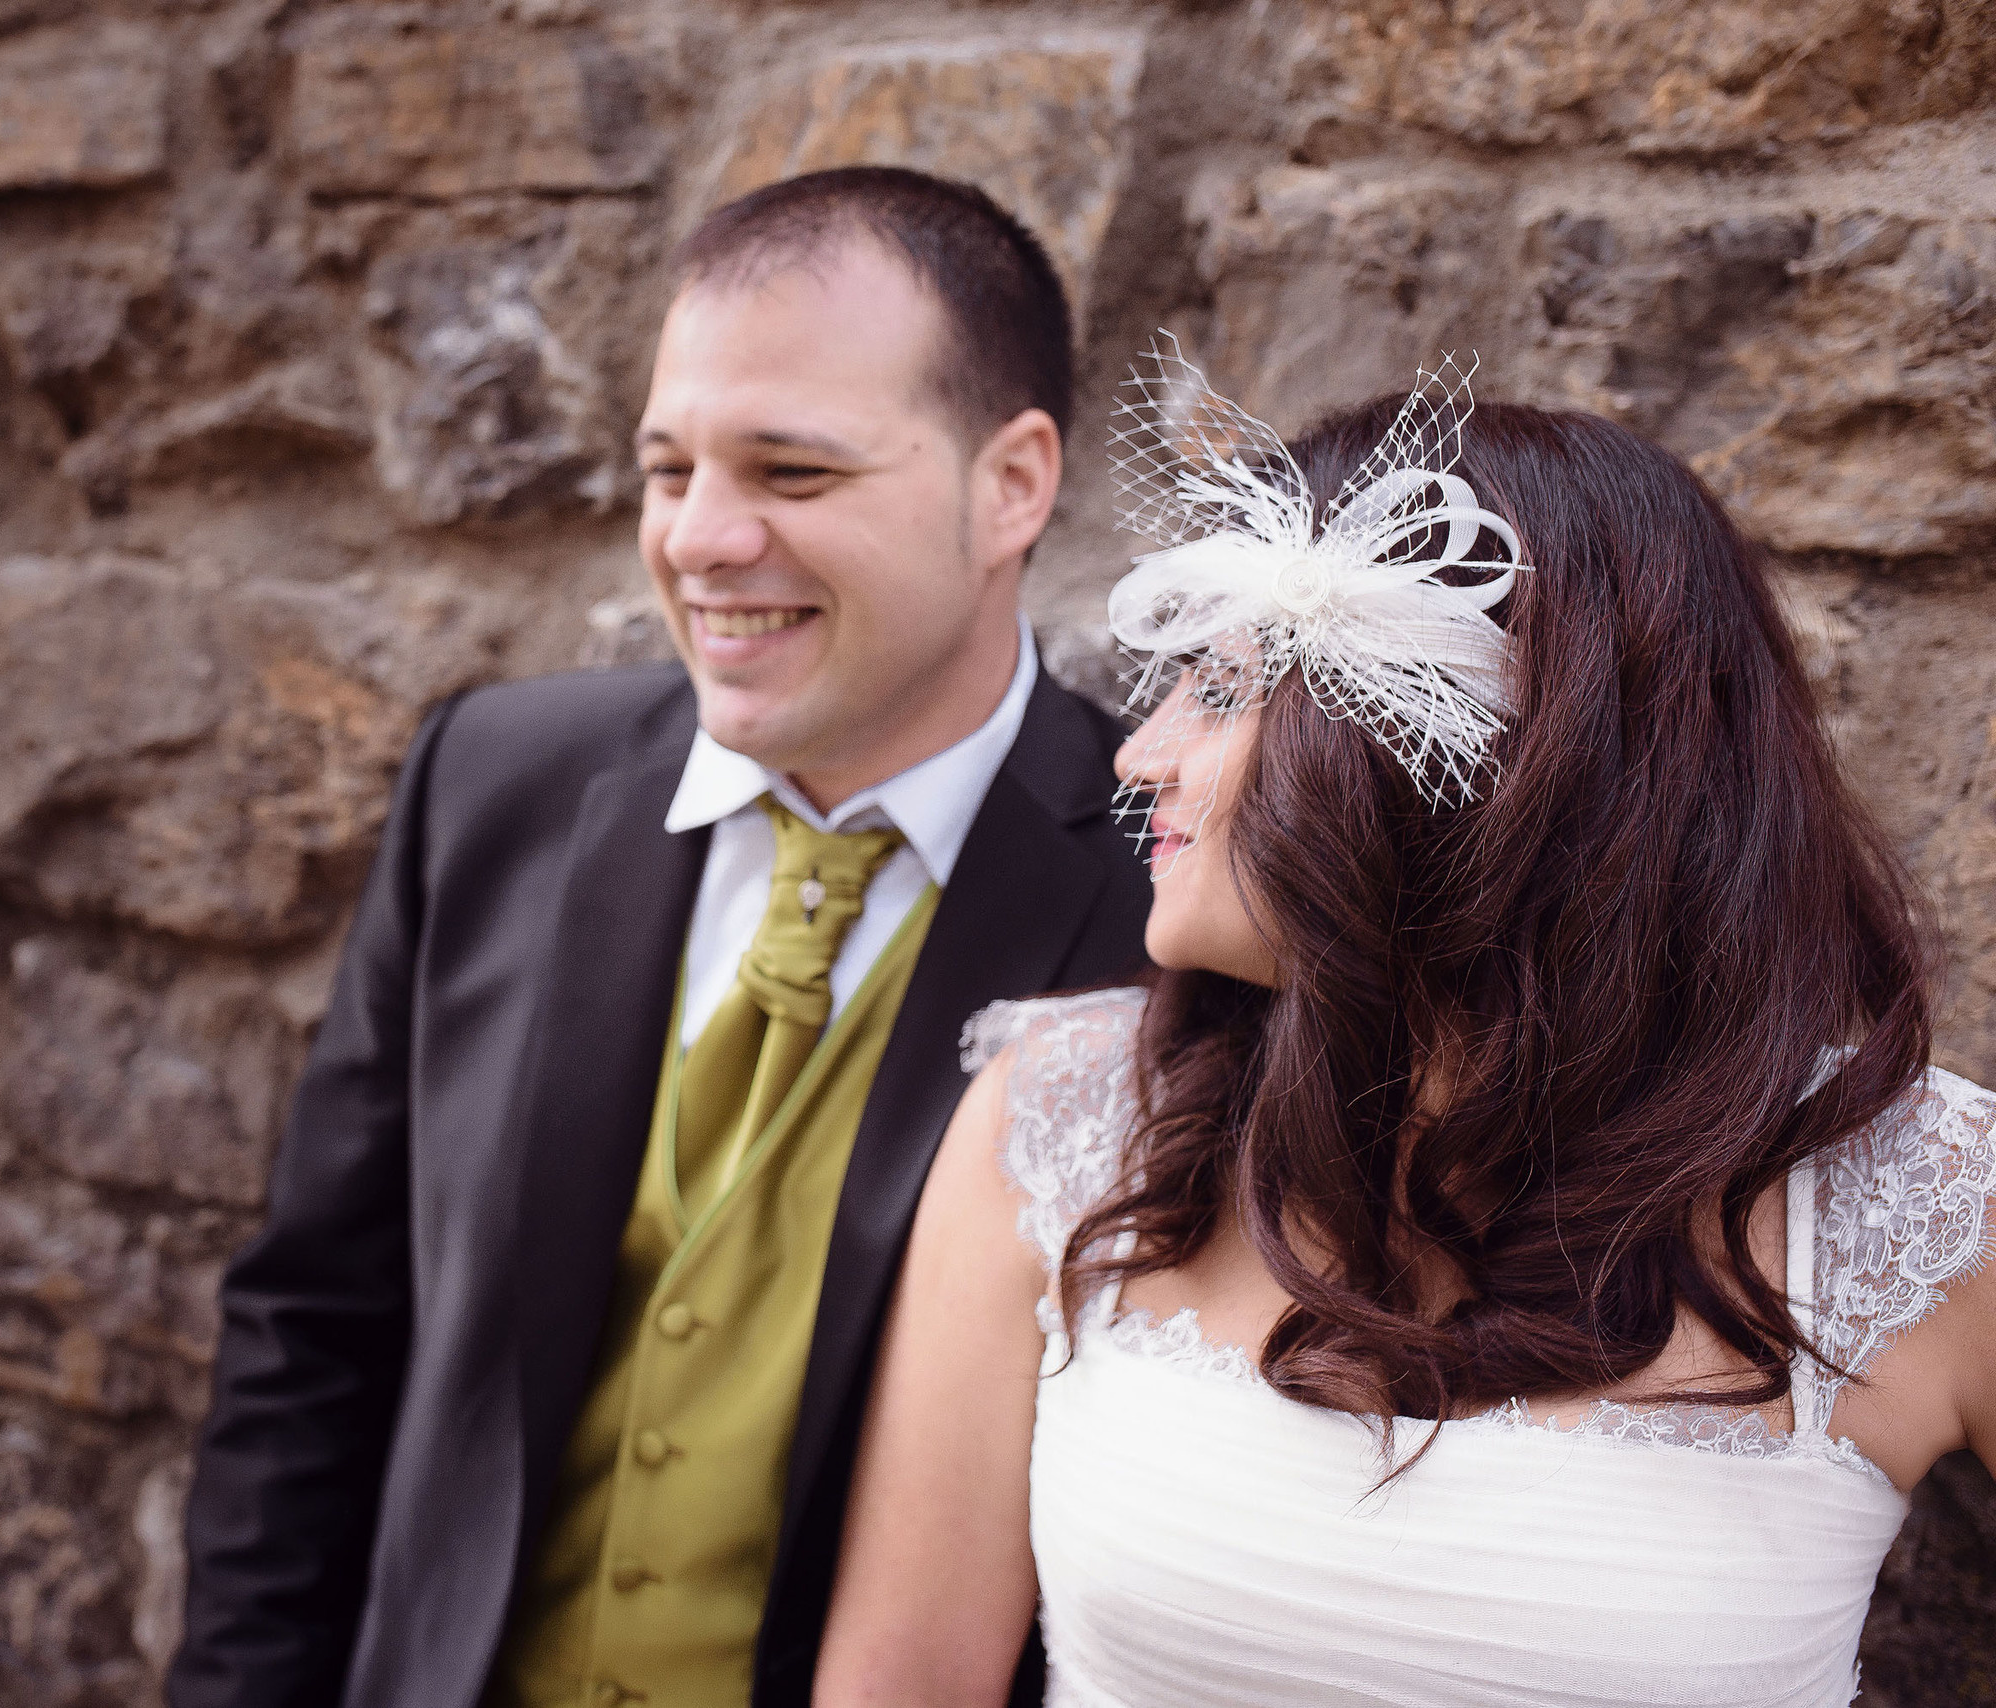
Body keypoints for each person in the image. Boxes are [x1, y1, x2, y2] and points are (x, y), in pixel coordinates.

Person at [813, 343, 1996, 1706]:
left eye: (1219, 683)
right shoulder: (1065, 1118)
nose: (1141, 756)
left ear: (1423, 753)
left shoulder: (1921, 1208)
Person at [168, 167, 1154, 1708]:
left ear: (1012, 485)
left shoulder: (1168, 897)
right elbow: (316, 1336)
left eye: (791, 472)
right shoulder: (491, 784)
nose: (699, 540)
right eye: (666, 467)